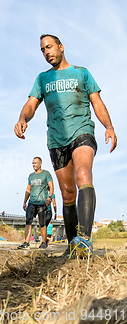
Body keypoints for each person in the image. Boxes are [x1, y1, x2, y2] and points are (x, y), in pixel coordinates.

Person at [14, 34, 117, 258]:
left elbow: (97, 102)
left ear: (61, 47)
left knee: (83, 175)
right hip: (56, 139)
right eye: (42, 50)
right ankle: (73, 246)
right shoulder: (42, 79)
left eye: (49, 47)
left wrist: (108, 126)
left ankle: (85, 239)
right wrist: (23, 118)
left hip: (81, 131)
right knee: (67, 193)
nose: (46, 52)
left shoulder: (82, 73)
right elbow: (31, 104)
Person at [18, 157, 54, 250]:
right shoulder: (31, 176)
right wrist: (25, 201)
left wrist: (49, 197)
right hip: (32, 203)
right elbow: (28, 189)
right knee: (28, 222)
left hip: (42, 203)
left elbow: (51, 186)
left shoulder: (46, 174)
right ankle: (26, 242)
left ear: (40, 164)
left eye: (35, 163)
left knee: (42, 224)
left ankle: (43, 243)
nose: (34, 165)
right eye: (33, 163)